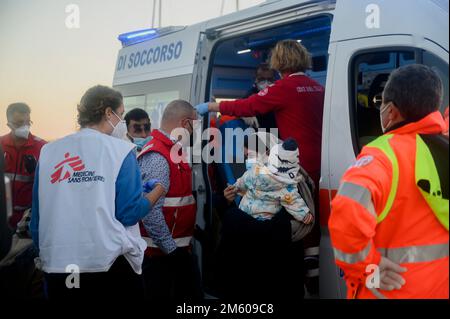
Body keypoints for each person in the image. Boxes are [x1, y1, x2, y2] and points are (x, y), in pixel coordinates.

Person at [196, 39, 323, 295]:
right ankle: (314, 269)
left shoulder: (284, 87)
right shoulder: (318, 87)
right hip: (322, 165)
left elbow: (247, 105)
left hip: (296, 167)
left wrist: (211, 106)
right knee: (313, 220)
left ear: (280, 62)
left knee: (291, 222)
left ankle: (305, 274)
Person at [30, 85, 166, 299]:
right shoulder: (121, 151)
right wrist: (156, 193)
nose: (121, 122)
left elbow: (37, 217)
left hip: (60, 265)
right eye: (121, 115)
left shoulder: (48, 152)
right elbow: (128, 213)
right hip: (107, 264)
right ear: (108, 113)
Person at [329, 64, 449, 299]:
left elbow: (347, 213)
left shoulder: (381, 155)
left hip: (389, 290)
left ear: (391, 111)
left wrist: (367, 267)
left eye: (381, 103)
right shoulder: (444, 149)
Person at [138, 99, 202, 300]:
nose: (196, 132)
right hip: (160, 256)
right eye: (196, 125)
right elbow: (149, 211)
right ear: (185, 123)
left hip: (176, 250)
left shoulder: (173, 151)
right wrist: (172, 251)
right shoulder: (158, 155)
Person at [235, 138, 313, 224]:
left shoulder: (251, 173)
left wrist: (234, 188)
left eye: (250, 156)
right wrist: (304, 215)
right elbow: (291, 199)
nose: (248, 160)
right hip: (262, 220)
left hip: (247, 215)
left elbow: (240, 184)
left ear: (266, 152)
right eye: (246, 157)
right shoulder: (284, 178)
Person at [0, 103, 46, 229]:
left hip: (28, 221)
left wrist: (36, 171)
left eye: (28, 122)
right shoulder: (1, 145)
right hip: (3, 218)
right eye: (20, 123)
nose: (25, 127)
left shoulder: (42, 147)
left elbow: (49, 185)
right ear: (9, 124)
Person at [245, 63, 277, 130]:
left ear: (274, 80)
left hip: (276, 135)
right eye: (262, 79)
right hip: (257, 134)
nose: (266, 83)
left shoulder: (279, 95)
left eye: (269, 79)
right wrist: (244, 115)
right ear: (256, 79)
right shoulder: (250, 95)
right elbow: (238, 107)